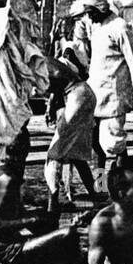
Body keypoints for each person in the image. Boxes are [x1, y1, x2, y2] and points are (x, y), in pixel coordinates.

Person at [79, 0, 133, 164]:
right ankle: (100, 180)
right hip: (95, 93)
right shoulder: (96, 26)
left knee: (114, 144)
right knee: (94, 143)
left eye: (91, 13)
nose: (88, 17)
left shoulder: (120, 27)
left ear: (101, 9)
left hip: (114, 96)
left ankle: (121, 178)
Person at [44, 62, 97, 221]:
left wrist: (50, 106)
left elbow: (53, 89)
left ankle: (53, 203)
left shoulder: (40, 64)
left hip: (77, 97)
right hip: (85, 93)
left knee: (54, 154)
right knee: (79, 154)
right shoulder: (51, 64)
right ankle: (97, 192)